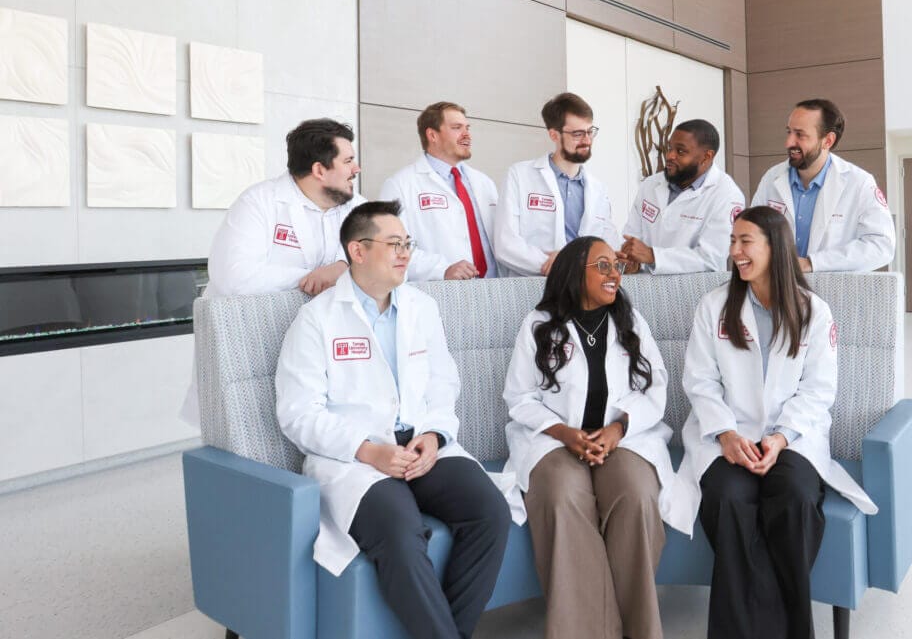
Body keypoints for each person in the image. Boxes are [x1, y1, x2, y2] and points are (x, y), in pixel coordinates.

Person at [275, 200, 516, 639]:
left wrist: (434, 435)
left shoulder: (421, 307)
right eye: (394, 244)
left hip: (423, 448)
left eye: (407, 243)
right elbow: (297, 414)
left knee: (490, 512)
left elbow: (445, 384)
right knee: (402, 532)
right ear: (358, 251)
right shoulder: (316, 320)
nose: (405, 252)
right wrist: (369, 450)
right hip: (356, 460)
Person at [673, 206, 878, 639]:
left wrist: (782, 438)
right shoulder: (714, 306)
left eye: (745, 241)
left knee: (796, 497)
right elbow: (699, 380)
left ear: (775, 247)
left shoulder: (813, 312)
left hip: (793, 438)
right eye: (733, 241)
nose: (735, 251)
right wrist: (726, 435)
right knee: (729, 499)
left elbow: (819, 390)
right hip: (726, 434)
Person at [503, 236, 679, 639]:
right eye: (603, 266)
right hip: (554, 439)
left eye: (616, 266)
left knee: (634, 493)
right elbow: (518, 396)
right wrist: (564, 433)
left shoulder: (630, 321)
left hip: (624, 438)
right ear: (573, 272)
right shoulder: (538, 324)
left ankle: (640, 630)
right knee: (562, 496)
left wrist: (618, 429)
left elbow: (656, 388)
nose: (614, 274)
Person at [179, 118, 366, 425]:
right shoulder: (259, 202)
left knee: (313, 423)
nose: (355, 169)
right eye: (348, 161)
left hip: (320, 337)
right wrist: (316, 276)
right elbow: (234, 275)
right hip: (250, 339)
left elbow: (385, 254)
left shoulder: (354, 205)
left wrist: (343, 267)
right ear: (320, 170)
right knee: (248, 432)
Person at [751, 98, 895, 272]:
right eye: (789, 132)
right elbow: (752, 233)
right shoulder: (772, 178)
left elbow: (881, 246)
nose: (788, 143)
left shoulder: (859, 183)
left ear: (828, 141)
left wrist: (813, 263)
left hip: (831, 293)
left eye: (800, 134)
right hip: (778, 290)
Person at [494, 93, 619, 276]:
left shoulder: (598, 189)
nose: (587, 140)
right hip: (534, 284)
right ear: (554, 135)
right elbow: (506, 244)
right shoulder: (520, 175)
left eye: (590, 131)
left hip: (586, 287)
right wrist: (561, 265)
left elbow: (609, 245)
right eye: (577, 134)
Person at [379, 102, 500, 281]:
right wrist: (441, 270)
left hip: (494, 288)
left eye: (467, 127)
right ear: (432, 135)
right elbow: (392, 247)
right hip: (442, 291)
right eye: (457, 128)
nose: (467, 134)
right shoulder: (400, 185)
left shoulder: (484, 182)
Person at [619, 119, 745, 274]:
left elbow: (711, 258)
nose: (670, 156)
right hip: (646, 289)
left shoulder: (727, 195)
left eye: (680, 151)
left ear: (706, 157)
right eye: (670, 148)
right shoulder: (651, 185)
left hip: (695, 293)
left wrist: (653, 256)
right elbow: (632, 238)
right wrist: (631, 261)